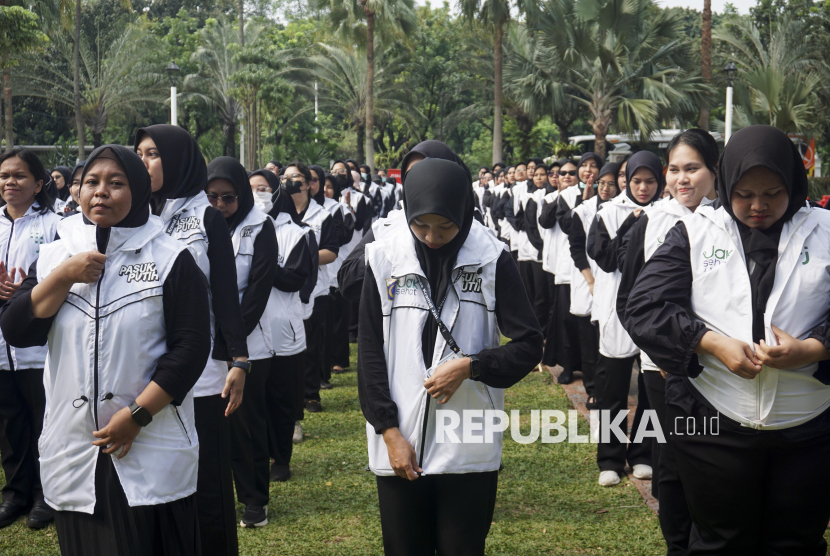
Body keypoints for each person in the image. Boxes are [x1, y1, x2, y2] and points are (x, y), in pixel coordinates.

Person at [624, 125, 830, 555]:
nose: (758, 206)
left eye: (773, 192)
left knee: (795, 541)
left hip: (808, 424)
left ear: (794, 182)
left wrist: (813, 349)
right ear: (727, 183)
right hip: (714, 418)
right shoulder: (697, 232)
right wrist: (709, 342)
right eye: (744, 193)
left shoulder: (825, 231)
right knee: (721, 540)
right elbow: (644, 308)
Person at [1, 144, 210, 555]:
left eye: (116, 183)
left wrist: (137, 415)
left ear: (137, 190)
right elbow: (18, 328)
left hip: (146, 436)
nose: (101, 192)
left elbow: (190, 348)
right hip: (75, 440)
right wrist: (64, 276)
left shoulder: (169, 256)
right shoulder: (57, 253)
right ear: (77, 192)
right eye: (92, 183)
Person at [358, 158, 543, 555]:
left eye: (445, 226)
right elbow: (371, 355)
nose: (432, 237)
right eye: (420, 225)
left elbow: (530, 345)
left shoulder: (492, 259)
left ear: (464, 211)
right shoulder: (385, 258)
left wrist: (473, 367)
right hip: (400, 441)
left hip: (468, 446)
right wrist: (389, 431)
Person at [135, 124, 247, 556]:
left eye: (152, 154)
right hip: (146, 369)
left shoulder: (207, 217)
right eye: (139, 153)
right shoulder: (136, 213)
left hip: (203, 375)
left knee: (209, 485)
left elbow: (224, 293)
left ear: (177, 160)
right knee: (159, 476)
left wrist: (239, 359)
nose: (143, 161)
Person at [616, 129, 717, 555]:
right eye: (674, 169)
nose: (682, 179)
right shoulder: (651, 222)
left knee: (712, 464)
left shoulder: (733, 222)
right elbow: (630, 299)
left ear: (715, 170)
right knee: (672, 464)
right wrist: (664, 349)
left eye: (692, 168)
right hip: (662, 367)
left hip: (721, 371)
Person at [206, 157, 279, 528]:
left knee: (245, 424)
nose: (219, 205)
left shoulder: (260, 227)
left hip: (249, 343)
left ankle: (254, 500)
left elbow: (259, 287)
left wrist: (232, 340)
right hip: (201, 340)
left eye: (228, 198)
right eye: (212, 197)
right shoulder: (196, 225)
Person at [588, 151, 661, 486]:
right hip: (617, 312)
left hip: (655, 311)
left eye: (650, 181)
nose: (643, 188)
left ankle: (643, 453)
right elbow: (605, 259)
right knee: (613, 390)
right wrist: (632, 221)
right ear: (626, 180)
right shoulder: (608, 213)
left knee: (650, 387)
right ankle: (610, 458)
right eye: (636, 181)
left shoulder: (668, 213)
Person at [0, 149, 60, 530]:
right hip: (1, 349)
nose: (9, 182)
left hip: (39, 346)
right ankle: (15, 493)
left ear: (38, 184)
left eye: (19, 176)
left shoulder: (57, 225)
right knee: (10, 422)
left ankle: (46, 495)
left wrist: (22, 293)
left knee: (44, 420)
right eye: (4, 176)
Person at [249, 169, 313, 481]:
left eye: (263, 189)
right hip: (249, 331)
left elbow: (294, 279)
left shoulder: (296, 234)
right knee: (253, 402)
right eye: (251, 189)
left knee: (282, 399)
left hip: (284, 329)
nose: (257, 195)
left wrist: (263, 262)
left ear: (276, 193)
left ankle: (282, 460)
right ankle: (257, 457)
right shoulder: (237, 231)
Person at [283, 162, 339, 413]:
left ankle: (311, 394)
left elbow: (332, 251)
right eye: (285, 178)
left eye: (295, 177)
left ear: (307, 184)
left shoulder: (322, 216)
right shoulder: (278, 215)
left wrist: (304, 255)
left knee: (312, 342)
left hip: (316, 288)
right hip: (286, 288)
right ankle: (291, 394)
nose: (289, 182)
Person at [568, 162, 620, 410]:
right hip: (588, 282)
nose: (607, 188)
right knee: (589, 341)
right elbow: (576, 248)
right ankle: (592, 389)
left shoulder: (624, 211)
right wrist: (590, 281)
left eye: (612, 183)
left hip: (614, 284)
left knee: (609, 339)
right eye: (603, 183)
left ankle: (608, 387)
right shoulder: (584, 210)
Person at [538, 159, 582, 383]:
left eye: (571, 173)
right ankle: (567, 364)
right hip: (560, 267)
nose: (565, 176)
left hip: (585, 268)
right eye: (560, 173)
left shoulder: (589, 198)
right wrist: (560, 196)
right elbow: (545, 222)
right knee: (564, 318)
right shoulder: (550, 198)